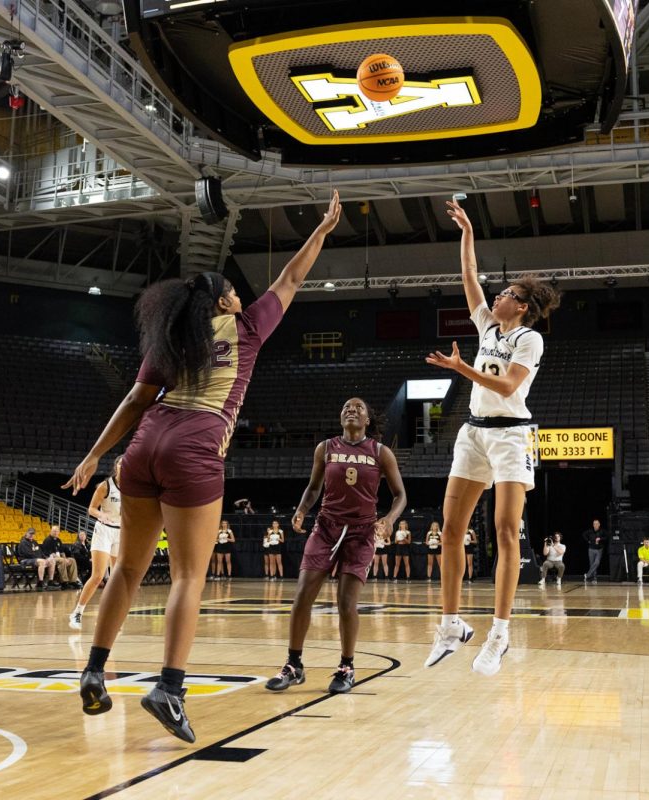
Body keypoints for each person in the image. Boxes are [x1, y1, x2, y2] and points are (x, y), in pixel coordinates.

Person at [65, 190, 341, 742]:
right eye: (234, 292)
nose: (242, 296)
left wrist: (96, 455)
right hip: (195, 444)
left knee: (128, 569)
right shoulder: (246, 328)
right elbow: (290, 279)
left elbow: (132, 404)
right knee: (190, 575)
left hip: (142, 447)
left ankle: (95, 669)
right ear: (222, 304)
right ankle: (169, 687)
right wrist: (322, 232)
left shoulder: (171, 340)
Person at [423, 199, 561, 676]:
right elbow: (468, 275)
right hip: (473, 433)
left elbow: (506, 386)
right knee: (451, 531)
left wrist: (460, 368)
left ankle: (499, 632)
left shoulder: (529, 339)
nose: (494, 296)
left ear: (520, 306)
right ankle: (451, 624)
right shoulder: (485, 325)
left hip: (512, 437)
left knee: (505, 530)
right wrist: (466, 230)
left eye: (504, 293)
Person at [266, 397, 406, 695]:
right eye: (345, 407)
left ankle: (346, 666)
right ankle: (294, 665)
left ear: (367, 420)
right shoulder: (326, 448)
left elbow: (400, 495)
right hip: (326, 528)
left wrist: (391, 519)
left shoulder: (381, 453)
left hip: (361, 533)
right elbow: (314, 486)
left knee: (346, 603)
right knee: (303, 595)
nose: (351, 410)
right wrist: (302, 509)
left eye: (358, 408)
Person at [70, 457, 123, 630]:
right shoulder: (105, 486)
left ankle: (110, 616)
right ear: (115, 467)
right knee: (99, 575)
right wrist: (101, 515)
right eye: (121, 464)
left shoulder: (134, 487)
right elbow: (91, 508)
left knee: (116, 579)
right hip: (104, 530)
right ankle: (77, 612)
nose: (124, 467)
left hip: (121, 532)